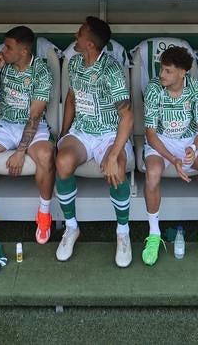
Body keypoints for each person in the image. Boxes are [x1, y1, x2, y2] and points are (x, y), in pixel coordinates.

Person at [54, 16, 134, 267]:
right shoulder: (75, 63)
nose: (75, 37)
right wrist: (64, 135)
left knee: (118, 168)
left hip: (110, 133)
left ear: (90, 44)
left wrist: (112, 154)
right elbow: (71, 100)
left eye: (79, 34)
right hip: (82, 131)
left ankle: (123, 233)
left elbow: (127, 116)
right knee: (63, 162)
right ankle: (71, 227)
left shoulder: (111, 70)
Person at [0, 26, 55, 247]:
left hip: (32, 126)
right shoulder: (3, 66)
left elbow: (35, 115)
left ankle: (44, 214)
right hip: (6, 124)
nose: (3, 50)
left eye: (9, 47)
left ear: (24, 51)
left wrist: (20, 152)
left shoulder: (41, 71)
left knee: (46, 155)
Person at [141, 46, 198, 267]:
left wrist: (193, 149)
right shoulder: (153, 89)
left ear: (182, 72)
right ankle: (154, 233)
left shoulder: (196, 89)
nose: (162, 75)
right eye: (161, 69)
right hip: (161, 141)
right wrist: (173, 158)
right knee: (152, 175)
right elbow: (150, 133)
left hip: (191, 142)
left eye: (168, 71)